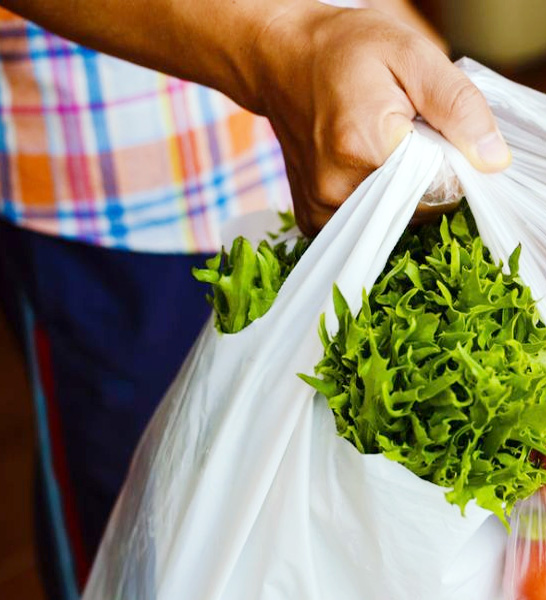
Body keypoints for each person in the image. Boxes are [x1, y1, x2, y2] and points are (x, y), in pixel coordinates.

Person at [0, 0, 511, 598]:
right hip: (113, 194)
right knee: (137, 518)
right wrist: (288, 38)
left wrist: (388, 30)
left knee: (319, 520)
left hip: (326, 145)